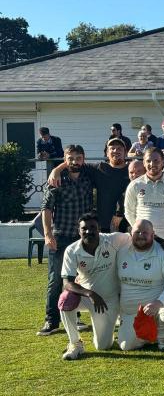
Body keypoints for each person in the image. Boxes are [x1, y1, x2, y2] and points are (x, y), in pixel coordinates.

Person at [39, 144, 94, 336]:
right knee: (56, 280)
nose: (74, 162)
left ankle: (75, 317)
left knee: (78, 279)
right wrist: (48, 234)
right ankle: (51, 321)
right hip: (61, 236)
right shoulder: (57, 180)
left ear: (83, 159)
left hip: (82, 238)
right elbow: (46, 209)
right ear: (65, 159)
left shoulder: (88, 177)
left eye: (78, 158)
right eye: (70, 158)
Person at [59, 212, 129, 359]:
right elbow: (67, 283)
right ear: (78, 231)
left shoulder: (112, 240)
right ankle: (75, 343)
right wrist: (90, 293)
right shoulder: (72, 250)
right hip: (87, 297)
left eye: (93, 227)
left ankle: (106, 333)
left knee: (103, 346)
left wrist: (160, 241)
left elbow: (137, 234)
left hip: (107, 301)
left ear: (99, 229)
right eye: (84, 228)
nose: (89, 231)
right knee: (65, 299)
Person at [116, 219, 164, 351]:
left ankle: (163, 338)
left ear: (153, 235)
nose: (141, 235)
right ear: (130, 232)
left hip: (156, 307)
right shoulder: (121, 249)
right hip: (131, 311)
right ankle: (148, 334)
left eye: (145, 232)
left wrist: (158, 302)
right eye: (137, 232)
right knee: (126, 346)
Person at [48, 138, 130, 233]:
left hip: (128, 223)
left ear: (125, 152)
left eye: (119, 148)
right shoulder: (99, 169)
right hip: (104, 225)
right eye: (112, 148)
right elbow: (75, 162)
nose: (116, 151)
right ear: (107, 153)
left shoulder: (133, 169)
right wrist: (56, 170)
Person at [124, 147, 164, 253]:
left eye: (156, 160)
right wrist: (140, 230)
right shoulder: (135, 185)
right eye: (148, 161)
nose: (152, 164)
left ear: (163, 162)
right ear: (144, 163)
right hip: (143, 238)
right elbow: (129, 212)